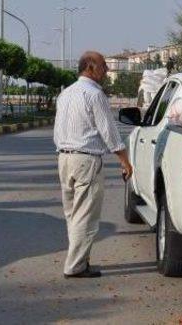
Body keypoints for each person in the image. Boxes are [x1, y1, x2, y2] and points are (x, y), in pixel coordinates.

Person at [54, 51, 133, 278]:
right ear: (90, 67)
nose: (107, 70)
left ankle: (80, 260)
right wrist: (124, 160)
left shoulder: (66, 94)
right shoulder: (94, 95)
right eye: (103, 66)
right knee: (85, 216)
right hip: (86, 160)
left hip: (64, 158)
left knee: (73, 214)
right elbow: (109, 131)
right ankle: (76, 266)